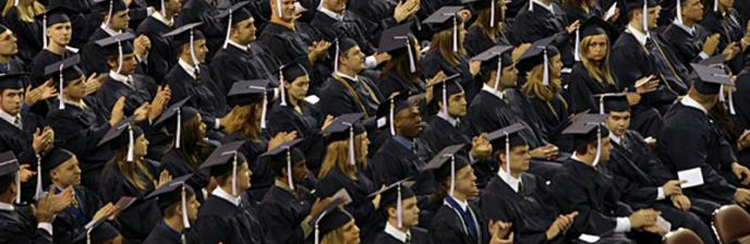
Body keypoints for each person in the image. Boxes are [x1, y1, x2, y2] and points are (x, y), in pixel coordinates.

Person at [598, 94, 716, 244]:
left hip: (659, 196)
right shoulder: (603, 151)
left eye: (626, 118)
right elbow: (623, 191)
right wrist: (660, 192)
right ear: (604, 119)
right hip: (637, 205)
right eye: (616, 118)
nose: (622, 123)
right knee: (691, 222)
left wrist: (674, 192)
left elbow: (656, 166)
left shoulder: (634, 137)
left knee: (710, 210)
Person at [551, 114, 664, 243]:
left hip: (609, 227)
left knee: (654, 234)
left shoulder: (599, 166)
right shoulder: (566, 177)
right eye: (606, 144)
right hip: (584, 236)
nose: (611, 148)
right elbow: (584, 220)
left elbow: (613, 204)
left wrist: (639, 218)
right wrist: (628, 222)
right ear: (592, 149)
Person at [658, 63, 750, 209]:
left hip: (714, 177)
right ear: (716, 96)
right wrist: (733, 193)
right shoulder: (684, 126)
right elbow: (694, 174)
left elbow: (718, 137)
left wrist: (733, 163)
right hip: (694, 191)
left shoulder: (694, 110)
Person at [481, 123, 578, 243]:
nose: (528, 157)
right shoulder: (492, 196)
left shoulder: (535, 181)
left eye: (528, 152)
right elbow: (509, 240)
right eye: (521, 153)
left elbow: (553, 215)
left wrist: (562, 223)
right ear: (503, 157)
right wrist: (547, 235)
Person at [45, 56, 124, 193]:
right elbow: (82, 145)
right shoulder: (58, 115)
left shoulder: (90, 101)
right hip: (91, 168)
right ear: (64, 89)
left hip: (110, 159)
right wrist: (112, 123)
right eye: (77, 83)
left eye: (83, 80)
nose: (84, 85)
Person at [221, 79, 297, 198]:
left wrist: (282, 145)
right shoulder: (234, 140)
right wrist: (271, 151)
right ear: (257, 107)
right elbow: (249, 173)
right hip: (257, 193)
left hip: (271, 185)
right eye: (265, 106)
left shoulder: (260, 131)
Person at [316, 113, 383, 243]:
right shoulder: (330, 180)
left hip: (375, 228)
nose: (368, 143)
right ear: (349, 145)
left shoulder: (362, 166)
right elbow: (345, 215)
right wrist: (373, 205)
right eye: (363, 140)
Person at [98, 119, 168, 243]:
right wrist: (157, 198)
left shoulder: (144, 165)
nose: (147, 142)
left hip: (153, 224)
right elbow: (127, 217)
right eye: (142, 140)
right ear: (130, 146)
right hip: (133, 236)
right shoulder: (113, 177)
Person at [424, 148, 512, 244]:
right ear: (450, 182)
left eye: (472, 172)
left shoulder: (473, 210)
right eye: (467, 175)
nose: (474, 178)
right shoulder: (443, 223)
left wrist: (493, 234)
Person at [419, 77, 493, 187]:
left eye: (464, 97)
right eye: (457, 99)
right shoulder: (432, 132)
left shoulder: (465, 120)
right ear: (441, 103)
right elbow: (442, 171)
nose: (464, 102)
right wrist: (472, 155)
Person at [40, 148, 122, 244]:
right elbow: (62, 240)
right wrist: (93, 223)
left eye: (77, 166)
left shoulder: (83, 192)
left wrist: (109, 215)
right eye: (71, 168)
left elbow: (99, 214)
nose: (78, 171)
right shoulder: (47, 204)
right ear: (54, 174)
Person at [194, 142, 268, 244]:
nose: (250, 173)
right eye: (245, 171)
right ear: (232, 179)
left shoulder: (243, 199)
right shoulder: (211, 216)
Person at [369, 95, 437, 205]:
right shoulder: (385, 156)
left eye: (419, 115)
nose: (419, 119)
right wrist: (431, 199)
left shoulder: (422, 143)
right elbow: (393, 199)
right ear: (397, 122)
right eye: (412, 116)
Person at [259, 140, 330, 244]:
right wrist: (312, 217)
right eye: (300, 166)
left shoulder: (303, 191)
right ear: (285, 171)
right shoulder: (271, 205)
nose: (306, 170)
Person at [267, 60, 331, 174]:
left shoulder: (307, 105)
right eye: (300, 84)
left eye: (307, 84)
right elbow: (298, 145)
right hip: (305, 165)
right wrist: (322, 133)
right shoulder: (279, 114)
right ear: (286, 84)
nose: (305, 89)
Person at [162, 22, 226, 132]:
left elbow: (219, 98)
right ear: (187, 49)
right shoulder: (173, 80)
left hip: (219, 123)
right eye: (201, 46)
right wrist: (217, 123)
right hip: (200, 132)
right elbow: (188, 115)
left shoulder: (204, 70)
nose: (207, 50)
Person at [0, 150, 74, 244]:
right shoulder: (6, 228)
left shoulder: (9, 210)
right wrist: (44, 222)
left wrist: (45, 212)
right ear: (13, 187)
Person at [0, 73, 53, 202]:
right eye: (11, 95)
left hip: (44, 185)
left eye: (20, 94)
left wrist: (50, 141)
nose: (18, 100)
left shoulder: (32, 119)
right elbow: (6, 167)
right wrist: (34, 150)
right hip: (16, 194)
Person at [260, 0, 329, 92]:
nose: (291, 7)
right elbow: (285, 73)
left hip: (326, 83)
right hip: (305, 92)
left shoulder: (303, 27)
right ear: (273, 4)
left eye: (293, 2)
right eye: (286, 3)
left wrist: (322, 53)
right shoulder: (270, 38)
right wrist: (312, 57)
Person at [92, 33, 168, 116]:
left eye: (133, 57)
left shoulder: (142, 79)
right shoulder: (106, 95)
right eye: (127, 59)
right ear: (111, 62)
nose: (134, 62)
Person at [211, 3, 278, 96]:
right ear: (233, 32)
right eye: (248, 26)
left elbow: (276, 71)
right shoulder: (224, 60)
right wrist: (275, 93)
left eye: (253, 23)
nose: (254, 28)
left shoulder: (257, 47)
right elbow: (240, 93)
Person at [421, 7, 482, 101]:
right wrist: (471, 74)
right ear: (451, 35)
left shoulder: (459, 52)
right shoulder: (432, 60)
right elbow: (442, 91)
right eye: (461, 30)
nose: (465, 33)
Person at [518, 38, 571, 149]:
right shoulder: (531, 98)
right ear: (546, 68)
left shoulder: (554, 91)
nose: (561, 65)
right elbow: (544, 133)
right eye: (557, 61)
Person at [318, 37, 384, 118]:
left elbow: (382, 105)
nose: (363, 55)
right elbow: (352, 125)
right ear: (343, 60)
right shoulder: (334, 91)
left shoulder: (365, 81)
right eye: (356, 53)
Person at [568, 17, 624, 113]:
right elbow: (586, 108)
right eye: (593, 45)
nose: (598, 49)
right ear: (584, 47)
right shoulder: (579, 73)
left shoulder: (609, 70)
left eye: (602, 44)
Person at [81, 0, 150, 76]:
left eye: (128, 14)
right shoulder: (94, 46)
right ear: (108, 18)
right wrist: (137, 56)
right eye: (122, 16)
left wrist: (144, 52)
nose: (128, 18)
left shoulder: (130, 33)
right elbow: (107, 77)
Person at [28, 5, 80, 86]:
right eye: (59, 28)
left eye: (68, 28)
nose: (65, 32)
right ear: (48, 32)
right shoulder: (39, 63)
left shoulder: (74, 56)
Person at [143, 175, 202, 243]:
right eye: (192, 202)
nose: (198, 204)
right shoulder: (156, 241)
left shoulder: (189, 232)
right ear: (180, 209)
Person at [135, 0, 182, 83]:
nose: (181, 1)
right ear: (165, 3)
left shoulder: (177, 22)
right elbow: (158, 69)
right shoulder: (147, 29)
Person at [374, 179, 432, 244]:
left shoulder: (423, 236)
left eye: (416, 205)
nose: (417, 210)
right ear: (392, 212)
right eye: (409, 207)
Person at [700, 0, 748, 73]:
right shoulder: (709, 22)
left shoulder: (733, 14)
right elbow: (722, 56)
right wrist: (746, 40)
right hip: (730, 70)